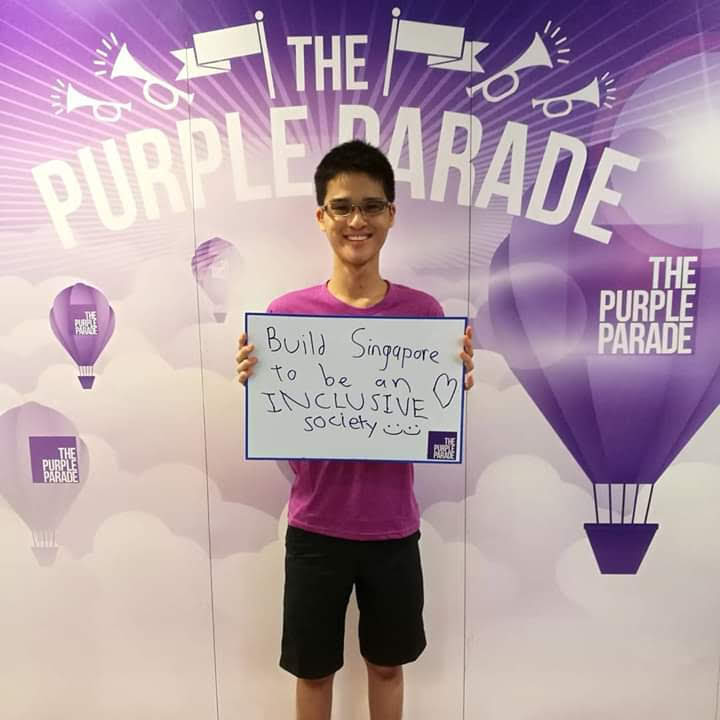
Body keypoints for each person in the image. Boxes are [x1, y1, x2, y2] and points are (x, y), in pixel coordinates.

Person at [236, 139, 474, 720]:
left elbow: (429, 414)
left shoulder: (424, 316)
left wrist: (450, 385)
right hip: (315, 528)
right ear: (321, 217)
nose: (356, 220)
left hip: (393, 530)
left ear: (391, 214)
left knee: (388, 665)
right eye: (342, 206)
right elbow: (286, 418)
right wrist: (259, 384)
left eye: (371, 205)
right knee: (313, 672)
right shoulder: (287, 316)